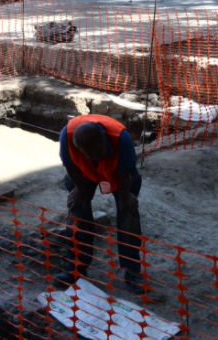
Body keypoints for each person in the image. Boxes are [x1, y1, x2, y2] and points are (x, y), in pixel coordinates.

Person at [54, 115, 148, 294]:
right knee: (77, 212)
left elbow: (123, 173)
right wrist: (80, 191)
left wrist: (123, 196)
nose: (95, 156)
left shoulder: (121, 138)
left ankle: (132, 272)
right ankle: (75, 269)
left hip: (119, 174)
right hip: (83, 174)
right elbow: (70, 167)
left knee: (128, 212)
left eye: (98, 150)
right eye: (89, 153)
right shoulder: (67, 137)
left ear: (104, 138)